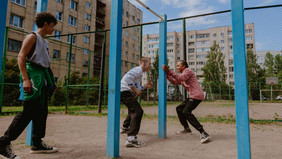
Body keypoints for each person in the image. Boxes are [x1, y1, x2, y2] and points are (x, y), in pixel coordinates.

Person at [0, 12, 58, 159]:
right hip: (33, 77)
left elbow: (45, 65)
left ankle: (37, 143)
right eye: (52, 26)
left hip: (42, 78)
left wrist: (51, 82)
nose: (53, 29)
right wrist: (25, 79)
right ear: (45, 24)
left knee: (41, 112)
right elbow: (21, 56)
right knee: (28, 112)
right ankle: (3, 142)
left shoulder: (45, 41)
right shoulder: (32, 36)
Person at [162, 60, 210, 143]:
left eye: (178, 66)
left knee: (186, 112)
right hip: (192, 96)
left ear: (183, 66)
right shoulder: (183, 75)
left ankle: (203, 132)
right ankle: (186, 128)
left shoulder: (188, 71)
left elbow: (180, 78)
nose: (177, 67)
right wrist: (167, 75)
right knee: (179, 109)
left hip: (196, 95)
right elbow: (175, 82)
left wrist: (169, 71)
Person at [120, 57, 153, 148]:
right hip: (124, 92)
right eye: (149, 64)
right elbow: (127, 79)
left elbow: (138, 90)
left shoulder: (140, 73)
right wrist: (135, 90)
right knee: (138, 111)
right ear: (143, 63)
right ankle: (131, 138)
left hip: (126, 92)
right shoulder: (138, 70)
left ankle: (125, 128)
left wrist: (145, 86)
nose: (150, 66)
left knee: (132, 110)